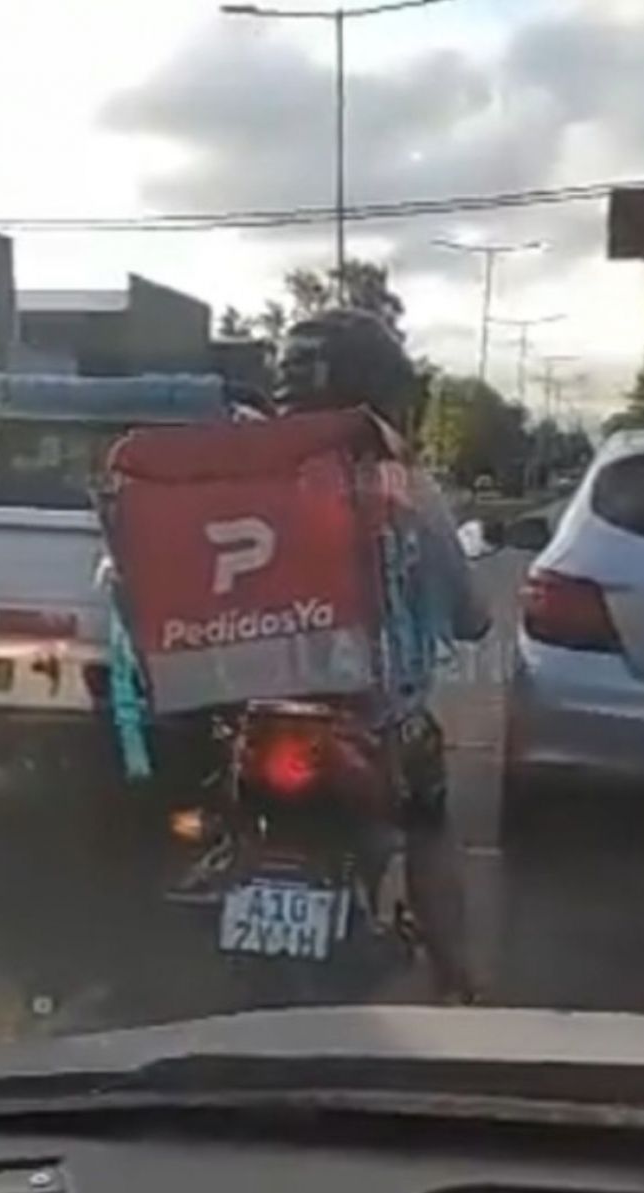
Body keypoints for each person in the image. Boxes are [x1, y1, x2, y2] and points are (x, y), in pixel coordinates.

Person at [273, 307, 493, 1004]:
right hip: (374, 725)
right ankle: (457, 977)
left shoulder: (229, 481)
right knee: (428, 826)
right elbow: (472, 618)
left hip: (239, 715)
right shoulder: (407, 490)